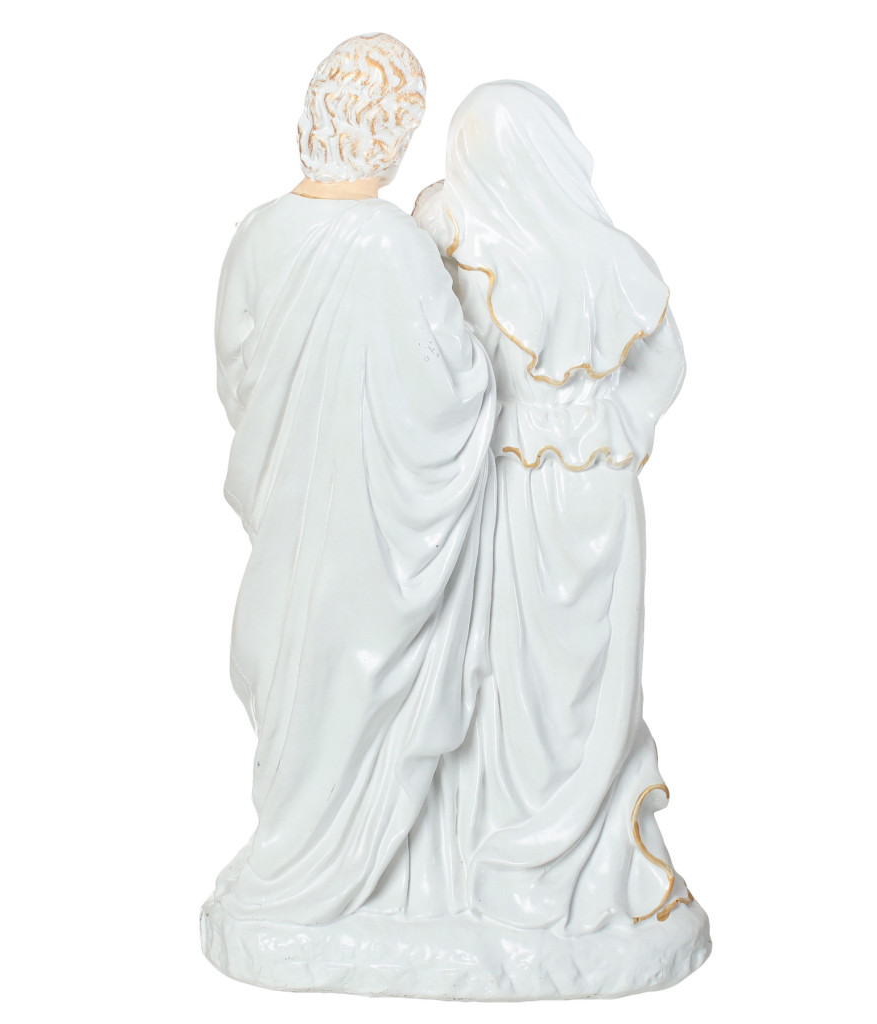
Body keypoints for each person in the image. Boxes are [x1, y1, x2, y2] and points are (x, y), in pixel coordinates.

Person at [202, 34, 495, 955]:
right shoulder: (396, 245)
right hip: (374, 529)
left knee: (293, 670)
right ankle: (318, 872)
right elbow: (455, 384)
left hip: (290, 508)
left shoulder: (258, 231)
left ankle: (295, 865)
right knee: (356, 679)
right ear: (393, 133)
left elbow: (237, 377)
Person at [414, 81, 705, 936]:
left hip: (515, 480)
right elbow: (665, 367)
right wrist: (614, 427)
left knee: (526, 665)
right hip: (597, 485)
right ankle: (533, 845)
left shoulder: (460, 236)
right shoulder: (609, 255)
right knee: (558, 666)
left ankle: (536, 844)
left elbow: (424, 348)